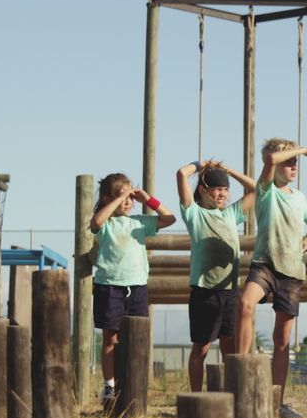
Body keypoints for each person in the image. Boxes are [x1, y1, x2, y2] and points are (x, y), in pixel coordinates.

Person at [235, 138, 307, 418]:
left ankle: (279, 402)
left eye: (295, 162)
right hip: (265, 264)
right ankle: (240, 373)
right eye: (289, 162)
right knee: (245, 304)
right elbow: (271, 160)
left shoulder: (300, 197)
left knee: (282, 340)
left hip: (292, 270)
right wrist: (306, 150)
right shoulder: (266, 190)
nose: (293, 166)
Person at [90, 173, 176, 402]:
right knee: (111, 338)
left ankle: (133, 384)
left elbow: (169, 219)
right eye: (122, 196)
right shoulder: (107, 222)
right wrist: (118, 200)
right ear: (108, 198)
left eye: (130, 197)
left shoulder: (140, 221)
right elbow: (95, 223)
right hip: (109, 286)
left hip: (137, 286)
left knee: (137, 338)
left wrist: (147, 199)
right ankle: (109, 386)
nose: (128, 201)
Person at [177, 160, 257, 392]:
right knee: (201, 348)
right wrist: (201, 165)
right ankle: (196, 395)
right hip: (204, 292)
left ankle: (229, 393)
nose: (222, 194)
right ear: (203, 190)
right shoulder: (194, 213)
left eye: (225, 190)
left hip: (230, 290)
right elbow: (182, 174)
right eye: (217, 189)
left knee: (229, 347)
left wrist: (229, 171)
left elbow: (257, 189)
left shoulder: (232, 214)